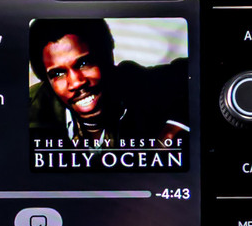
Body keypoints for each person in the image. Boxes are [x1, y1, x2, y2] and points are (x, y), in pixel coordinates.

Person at [29, 19, 189, 144]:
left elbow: (192, 71)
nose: (76, 82)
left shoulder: (141, 83)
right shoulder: (28, 113)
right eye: (58, 74)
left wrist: (177, 125)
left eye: (84, 63)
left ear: (108, 55)